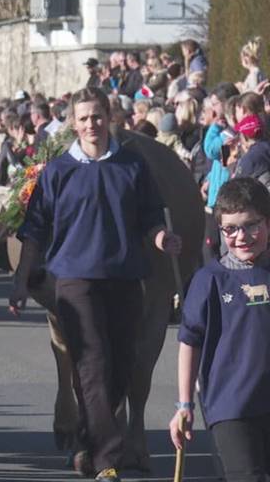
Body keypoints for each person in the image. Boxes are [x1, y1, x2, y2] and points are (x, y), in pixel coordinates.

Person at [11, 87, 182, 482]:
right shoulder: (57, 172)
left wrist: (162, 238)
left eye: (98, 116)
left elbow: (151, 217)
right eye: (84, 118)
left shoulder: (132, 165)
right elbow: (34, 233)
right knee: (91, 364)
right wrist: (21, 283)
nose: (91, 124)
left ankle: (89, 444)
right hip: (75, 281)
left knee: (122, 365)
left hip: (124, 277)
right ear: (73, 122)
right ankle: (107, 458)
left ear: (109, 118)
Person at [171, 177, 270, 481]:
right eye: (230, 229)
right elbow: (190, 342)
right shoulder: (209, 280)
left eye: (251, 225)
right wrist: (184, 404)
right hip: (231, 406)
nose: (241, 236)